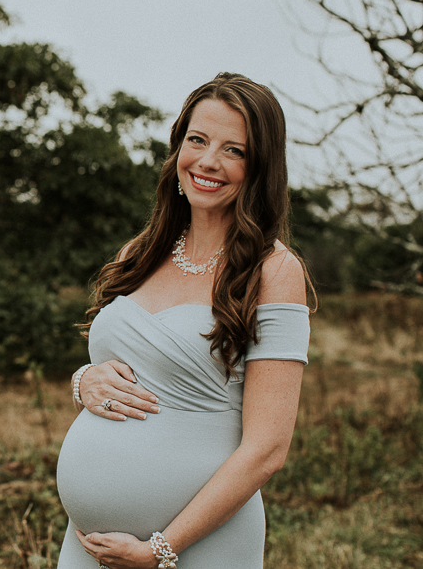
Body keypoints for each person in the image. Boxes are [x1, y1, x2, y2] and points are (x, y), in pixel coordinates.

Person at [55, 73, 312, 569]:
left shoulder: (274, 271)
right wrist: (83, 380)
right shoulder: (140, 252)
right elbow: (125, 369)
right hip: (90, 544)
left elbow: (268, 448)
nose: (209, 161)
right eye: (198, 140)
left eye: (234, 150)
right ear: (178, 149)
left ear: (259, 167)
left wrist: (162, 548)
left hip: (196, 548)